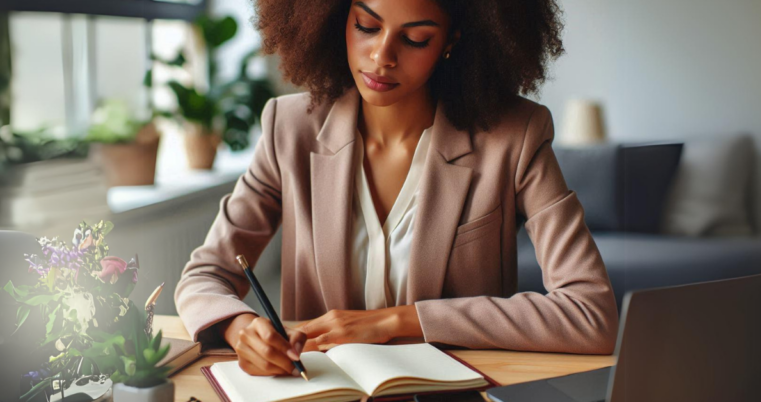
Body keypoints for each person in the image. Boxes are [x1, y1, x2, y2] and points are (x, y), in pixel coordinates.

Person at [175, 0, 619, 378]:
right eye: (366, 26)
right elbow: (204, 276)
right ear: (336, 18)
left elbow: (589, 314)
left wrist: (396, 321)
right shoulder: (289, 128)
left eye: (415, 39)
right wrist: (240, 327)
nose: (381, 55)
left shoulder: (514, 137)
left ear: (452, 41)